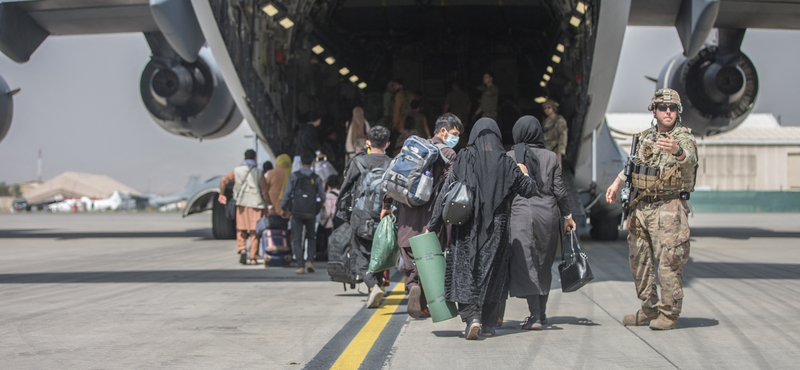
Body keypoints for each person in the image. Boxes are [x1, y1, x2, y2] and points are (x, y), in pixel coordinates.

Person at [426, 118, 536, 340]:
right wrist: (524, 172)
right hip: (497, 229)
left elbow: (446, 193)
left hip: (466, 227)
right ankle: (487, 324)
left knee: (463, 273)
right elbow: (529, 190)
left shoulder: (464, 158)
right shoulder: (506, 162)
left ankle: (471, 317)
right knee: (493, 275)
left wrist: (434, 225)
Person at [605, 88, 698, 330]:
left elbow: (690, 158)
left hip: (669, 207)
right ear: (654, 111)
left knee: (668, 261)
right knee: (640, 259)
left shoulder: (682, 138)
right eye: (663, 108)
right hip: (641, 207)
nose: (668, 112)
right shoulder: (645, 137)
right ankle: (648, 308)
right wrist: (617, 183)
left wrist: (676, 151)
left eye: (673, 108)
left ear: (678, 112)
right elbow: (632, 166)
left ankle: (669, 314)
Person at [380, 113, 463, 319]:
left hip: (407, 212)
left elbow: (394, 176)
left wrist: (386, 205)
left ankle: (412, 286)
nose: (455, 137)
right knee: (429, 256)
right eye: (454, 133)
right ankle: (423, 300)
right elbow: (449, 187)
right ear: (443, 130)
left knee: (409, 251)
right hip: (430, 215)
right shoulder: (449, 154)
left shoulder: (414, 148)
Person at [507, 116, 576, 330]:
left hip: (520, 213)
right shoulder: (551, 157)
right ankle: (542, 313)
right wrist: (567, 216)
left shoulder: (510, 156)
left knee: (526, 263)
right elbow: (560, 191)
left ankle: (535, 315)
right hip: (548, 214)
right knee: (544, 263)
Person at [338, 126, 392, 308]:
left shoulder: (358, 162)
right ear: (388, 144)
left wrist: (342, 211)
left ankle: (372, 285)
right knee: (380, 251)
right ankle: (376, 285)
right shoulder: (391, 163)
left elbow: (345, 189)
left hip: (361, 215)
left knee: (359, 252)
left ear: (367, 142)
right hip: (385, 216)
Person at [219, 149, 267, 265]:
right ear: (255, 158)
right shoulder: (259, 172)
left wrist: (221, 194)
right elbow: (264, 190)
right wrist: (268, 204)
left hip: (241, 204)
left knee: (241, 229)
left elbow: (224, 179)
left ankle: (242, 249)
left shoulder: (237, 171)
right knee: (254, 232)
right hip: (256, 204)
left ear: (244, 158)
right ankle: (253, 257)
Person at [282, 152, 326, 274]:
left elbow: (286, 194)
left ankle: (300, 265)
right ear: (312, 163)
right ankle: (310, 261)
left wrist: (283, 207)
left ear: (300, 163)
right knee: (311, 237)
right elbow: (322, 197)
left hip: (296, 211)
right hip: (311, 212)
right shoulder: (316, 178)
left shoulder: (293, 176)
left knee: (297, 239)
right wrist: (316, 208)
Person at [317, 174, 341, 259]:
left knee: (329, 239)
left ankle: (329, 254)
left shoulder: (327, 196)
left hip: (330, 222)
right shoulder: (341, 194)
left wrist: (322, 219)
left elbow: (327, 212)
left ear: (328, 184)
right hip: (340, 221)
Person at [542, 99, 568, 164]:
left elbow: (563, 135)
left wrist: (560, 151)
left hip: (555, 149)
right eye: (545, 108)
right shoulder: (546, 122)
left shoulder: (559, 120)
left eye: (549, 107)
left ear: (553, 108)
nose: (546, 109)